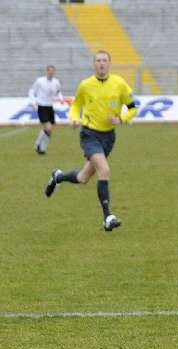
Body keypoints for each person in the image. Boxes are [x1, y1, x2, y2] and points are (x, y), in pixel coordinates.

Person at [44, 50, 137, 232]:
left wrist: (121, 119)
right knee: (104, 170)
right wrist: (74, 118)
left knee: (83, 177)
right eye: (98, 61)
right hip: (89, 134)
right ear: (93, 64)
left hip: (109, 137)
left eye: (104, 60)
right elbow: (76, 104)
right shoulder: (85, 85)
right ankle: (107, 217)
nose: (101, 64)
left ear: (109, 64)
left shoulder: (120, 84)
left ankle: (58, 177)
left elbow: (133, 108)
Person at [28, 65, 63, 155]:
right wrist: (33, 102)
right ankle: (39, 145)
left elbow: (58, 92)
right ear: (46, 71)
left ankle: (41, 148)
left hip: (50, 107)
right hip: (41, 106)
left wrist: (61, 98)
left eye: (52, 71)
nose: (51, 72)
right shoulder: (40, 81)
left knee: (49, 130)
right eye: (49, 71)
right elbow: (32, 91)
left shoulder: (56, 82)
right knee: (48, 128)